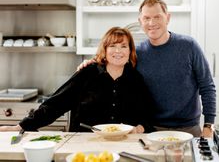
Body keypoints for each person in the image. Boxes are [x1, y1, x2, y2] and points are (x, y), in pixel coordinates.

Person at [78, 0, 216, 137]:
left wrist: (208, 124)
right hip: (151, 129)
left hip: (188, 129)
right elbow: (113, 61)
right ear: (140, 21)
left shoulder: (189, 46)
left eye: (157, 17)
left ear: (167, 18)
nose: (152, 22)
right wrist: (91, 62)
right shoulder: (137, 53)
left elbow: (207, 86)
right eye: (147, 18)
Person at [0, 27, 155, 133]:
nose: (118, 51)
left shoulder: (135, 79)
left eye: (123, 46)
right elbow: (55, 104)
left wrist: (140, 128)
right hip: (84, 142)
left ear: (130, 51)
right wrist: (21, 126)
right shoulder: (87, 73)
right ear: (105, 50)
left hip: (124, 143)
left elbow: (148, 115)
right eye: (113, 46)